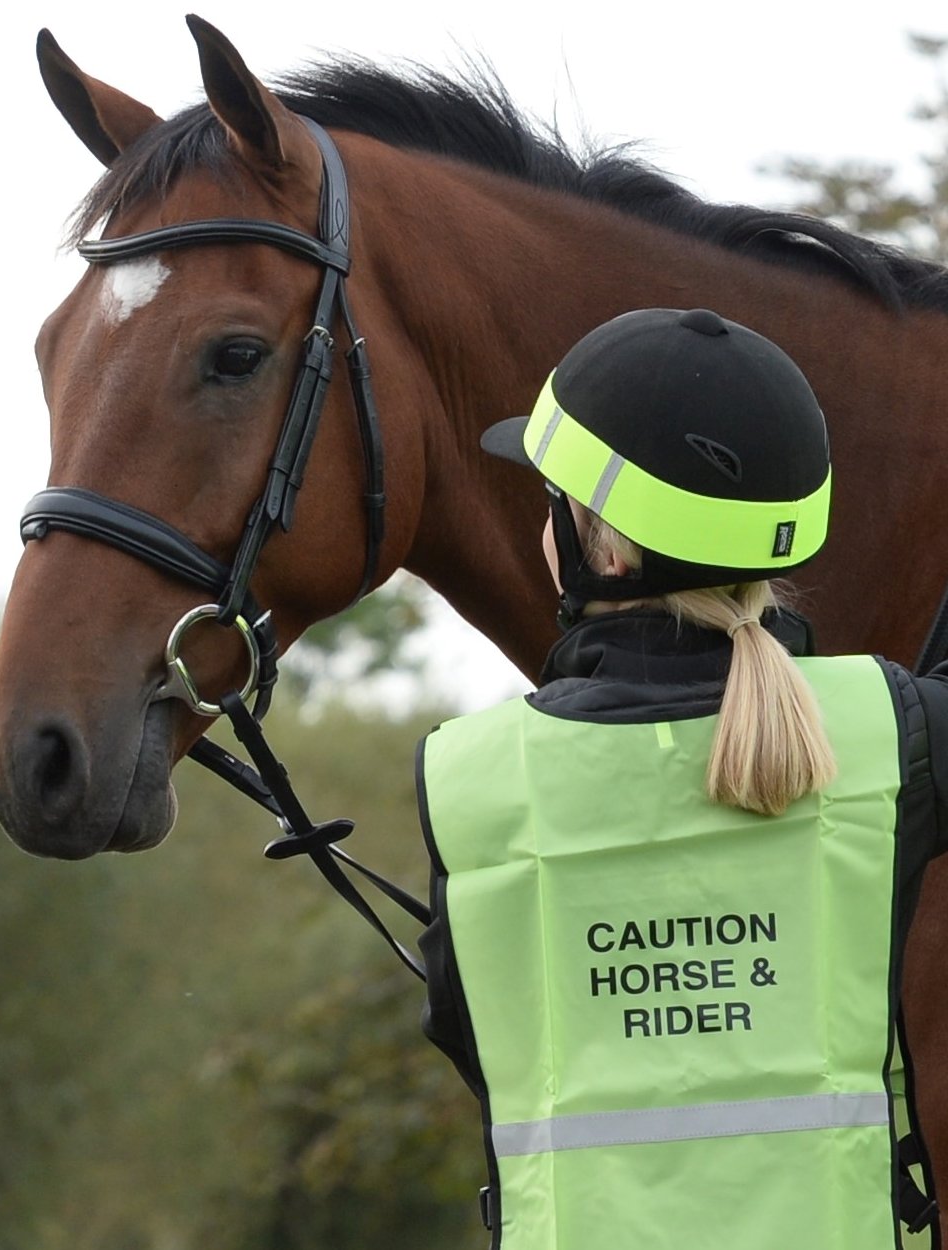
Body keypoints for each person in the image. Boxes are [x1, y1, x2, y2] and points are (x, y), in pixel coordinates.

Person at [415, 308, 943, 1249]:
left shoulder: (470, 780)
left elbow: (471, 1037)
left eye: (553, 503)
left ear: (605, 550)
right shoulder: (891, 733)